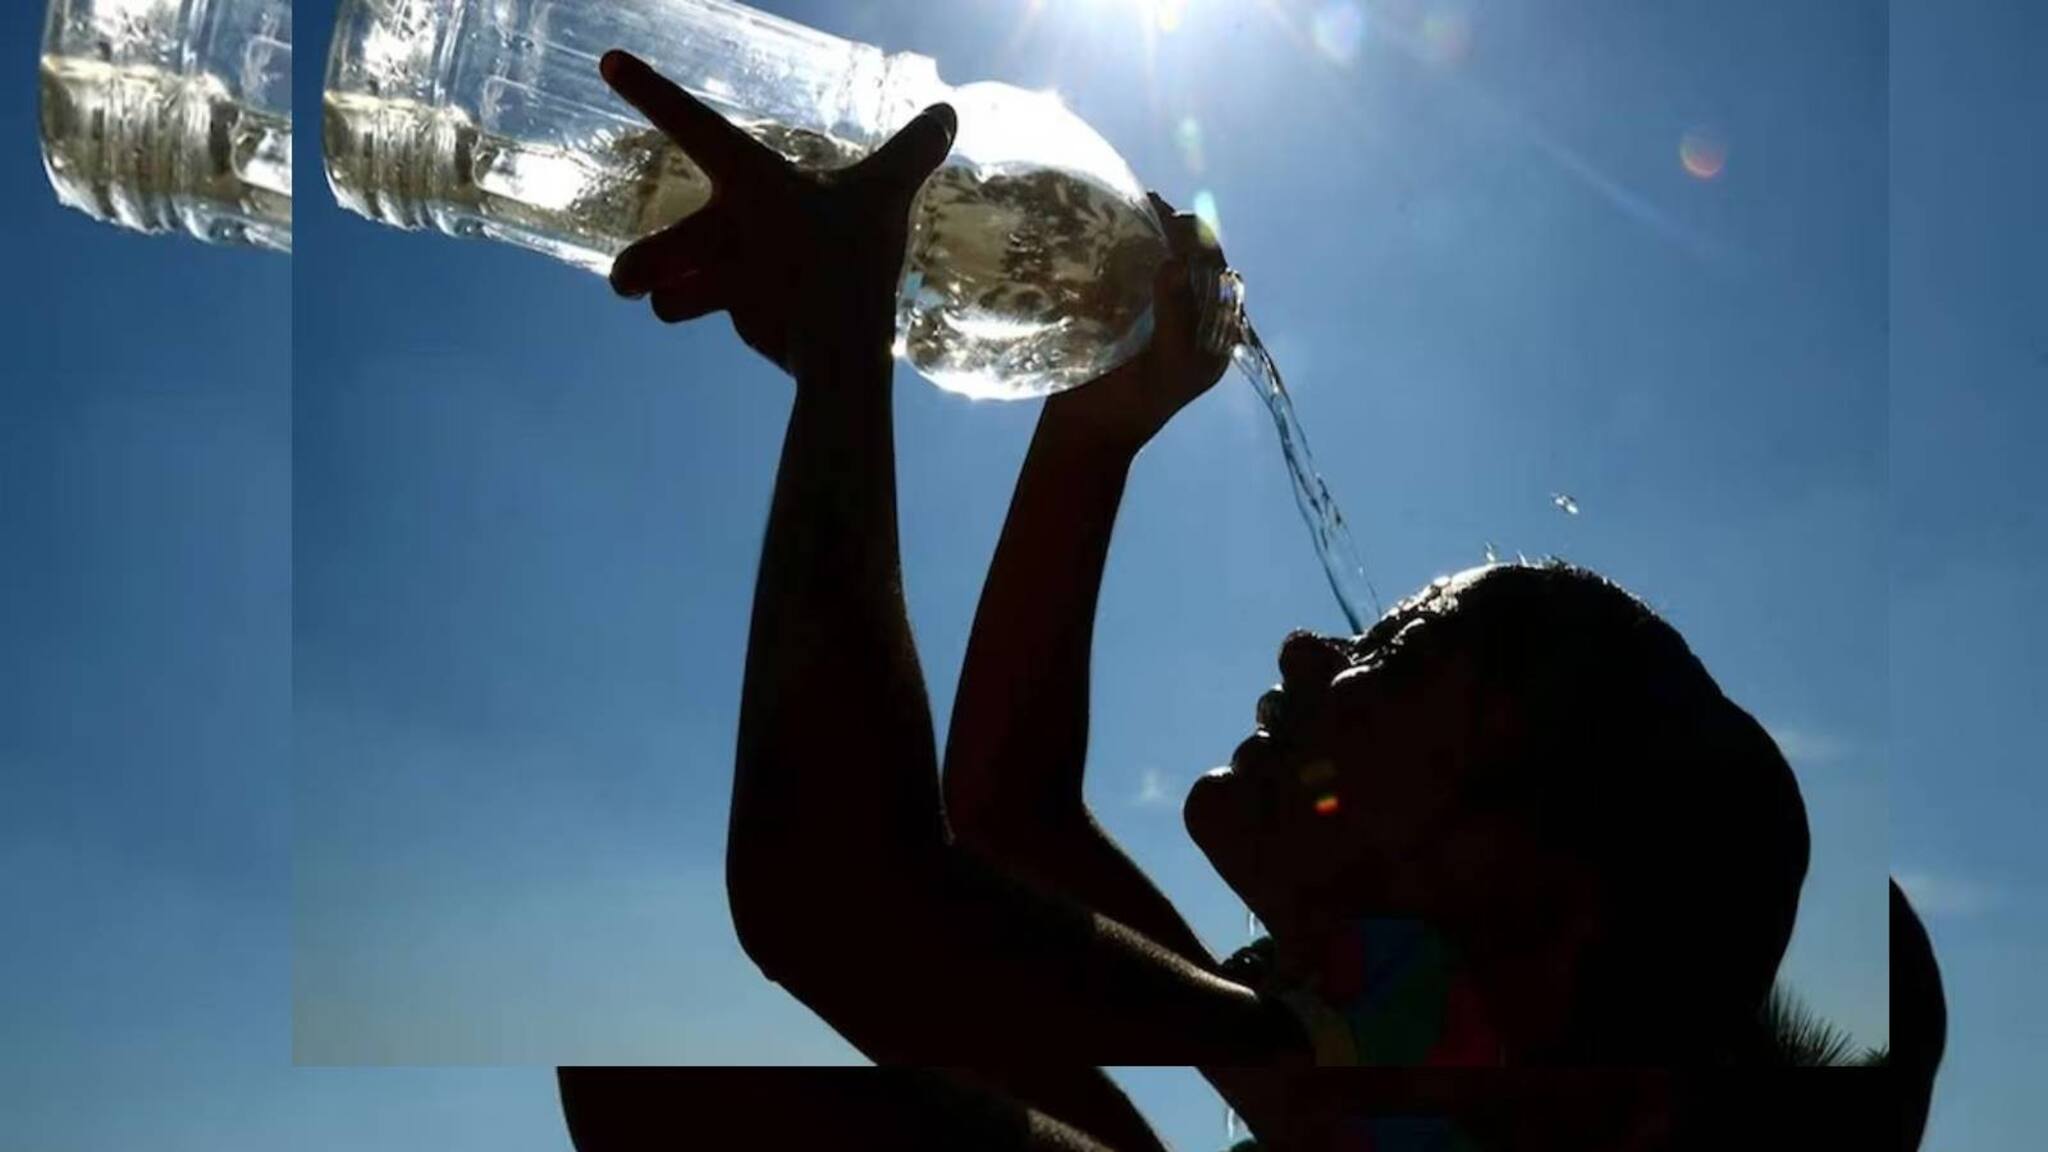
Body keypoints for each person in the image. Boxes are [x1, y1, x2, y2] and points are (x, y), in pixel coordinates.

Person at [586, 44, 1851, 1142]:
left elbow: (837, 894)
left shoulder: (1296, 1061)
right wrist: (1092, 434)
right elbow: (1002, 818)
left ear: (1526, 897)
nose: (1307, 649)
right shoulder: (1321, 1071)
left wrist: (841, 347)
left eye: (1395, 657)